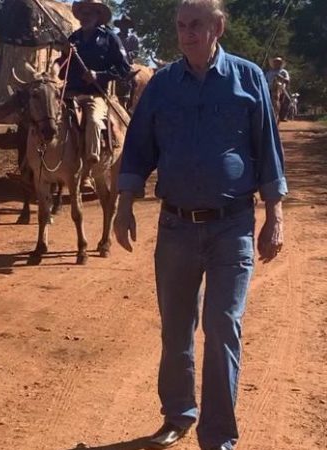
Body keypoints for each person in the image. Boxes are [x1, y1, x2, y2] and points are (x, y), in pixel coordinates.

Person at [113, 1, 287, 449]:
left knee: (223, 324)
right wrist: (124, 204)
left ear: (217, 27)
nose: (187, 34)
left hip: (233, 226)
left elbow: (267, 147)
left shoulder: (248, 79)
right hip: (176, 227)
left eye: (196, 25)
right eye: (181, 26)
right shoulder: (163, 85)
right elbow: (137, 148)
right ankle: (178, 415)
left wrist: (275, 216)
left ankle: (218, 436)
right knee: (175, 327)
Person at [59, 0, 131, 190]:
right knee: (45, 115)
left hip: (95, 95)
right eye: (82, 13)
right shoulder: (73, 39)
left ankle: (87, 172)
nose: (85, 16)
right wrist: (65, 55)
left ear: (98, 16)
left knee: (93, 120)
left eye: (89, 13)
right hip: (69, 94)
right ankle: (41, 165)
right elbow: (61, 70)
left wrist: (98, 76)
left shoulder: (110, 38)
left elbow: (124, 68)